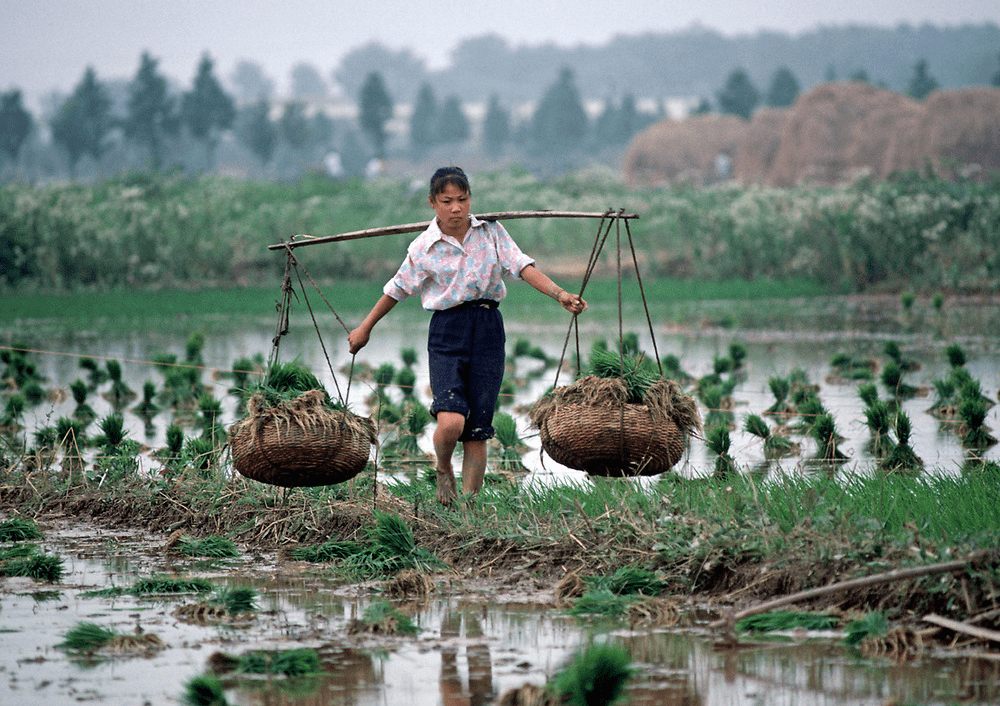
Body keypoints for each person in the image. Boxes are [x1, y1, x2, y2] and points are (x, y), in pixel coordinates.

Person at [348, 166, 587, 506]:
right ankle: (443, 468)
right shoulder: (423, 248)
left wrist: (560, 294)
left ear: (470, 199)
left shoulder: (490, 232)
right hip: (448, 331)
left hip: (488, 328)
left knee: (477, 429)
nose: (456, 208)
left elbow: (521, 266)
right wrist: (365, 328)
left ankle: (469, 507)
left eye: (463, 199)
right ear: (433, 203)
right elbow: (397, 289)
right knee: (451, 420)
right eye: (447, 201)